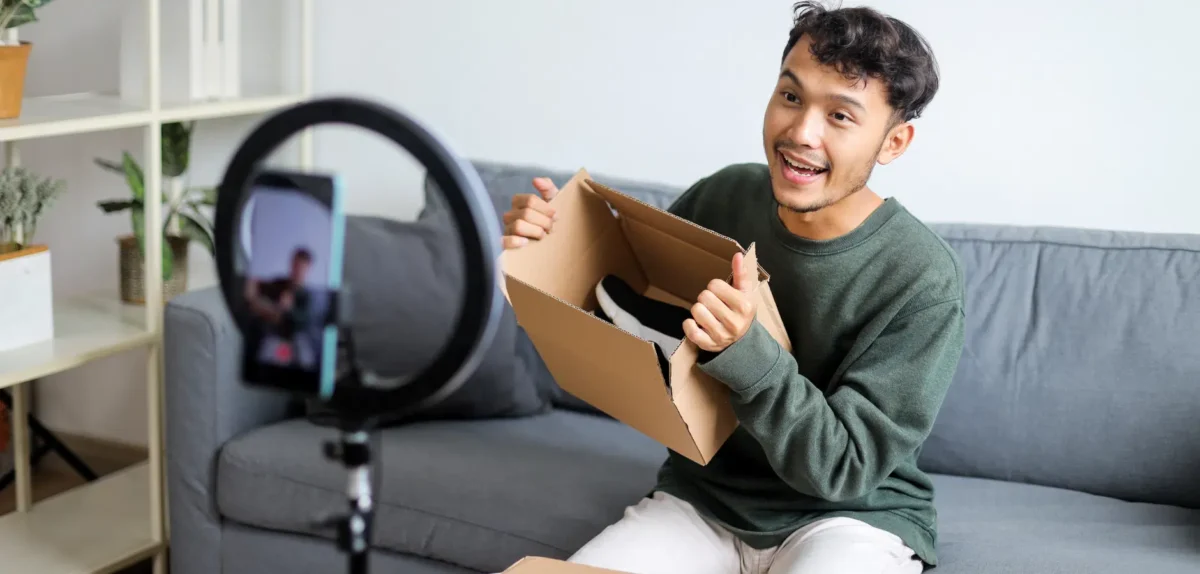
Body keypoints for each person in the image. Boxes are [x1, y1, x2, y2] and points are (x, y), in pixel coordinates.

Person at [500, 2, 964, 573]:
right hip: (702, 502)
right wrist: (545, 253)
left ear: (893, 143)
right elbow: (624, 320)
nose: (800, 133)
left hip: (851, 519)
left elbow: (844, 469)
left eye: (840, 116)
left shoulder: (921, 278)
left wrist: (750, 356)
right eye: (791, 97)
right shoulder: (724, 197)